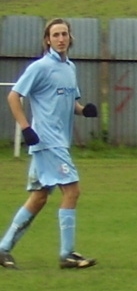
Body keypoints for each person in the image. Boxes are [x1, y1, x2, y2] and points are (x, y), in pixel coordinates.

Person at [0, 18, 99, 270]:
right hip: (47, 141)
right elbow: (13, 96)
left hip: (57, 142)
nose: (61, 38)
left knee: (39, 197)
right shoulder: (40, 67)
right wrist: (26, 128)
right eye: (55, 35)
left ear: (70, 37)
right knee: (72, 191)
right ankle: (66, 254)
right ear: (47, 40)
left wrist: (84, 110)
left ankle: (3, 249)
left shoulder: (70, 68)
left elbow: (69, 104)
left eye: (64, 34)